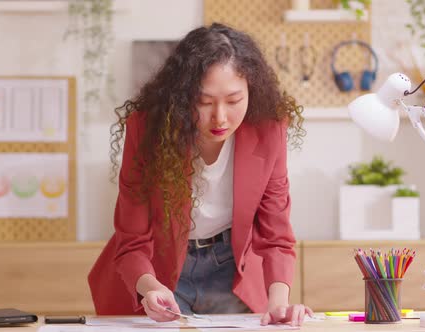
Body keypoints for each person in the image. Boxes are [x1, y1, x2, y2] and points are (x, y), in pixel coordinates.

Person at [88, 22, 312, 326]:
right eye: (203, 102)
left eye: (234, 101)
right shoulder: (147, 129)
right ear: (182, 97)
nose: (220, 117)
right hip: (160, 270)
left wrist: (278, 302)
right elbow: (132, 240)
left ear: (252, 90)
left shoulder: (268, 130)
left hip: (233, 271)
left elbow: (275, 235)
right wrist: (150, 288)